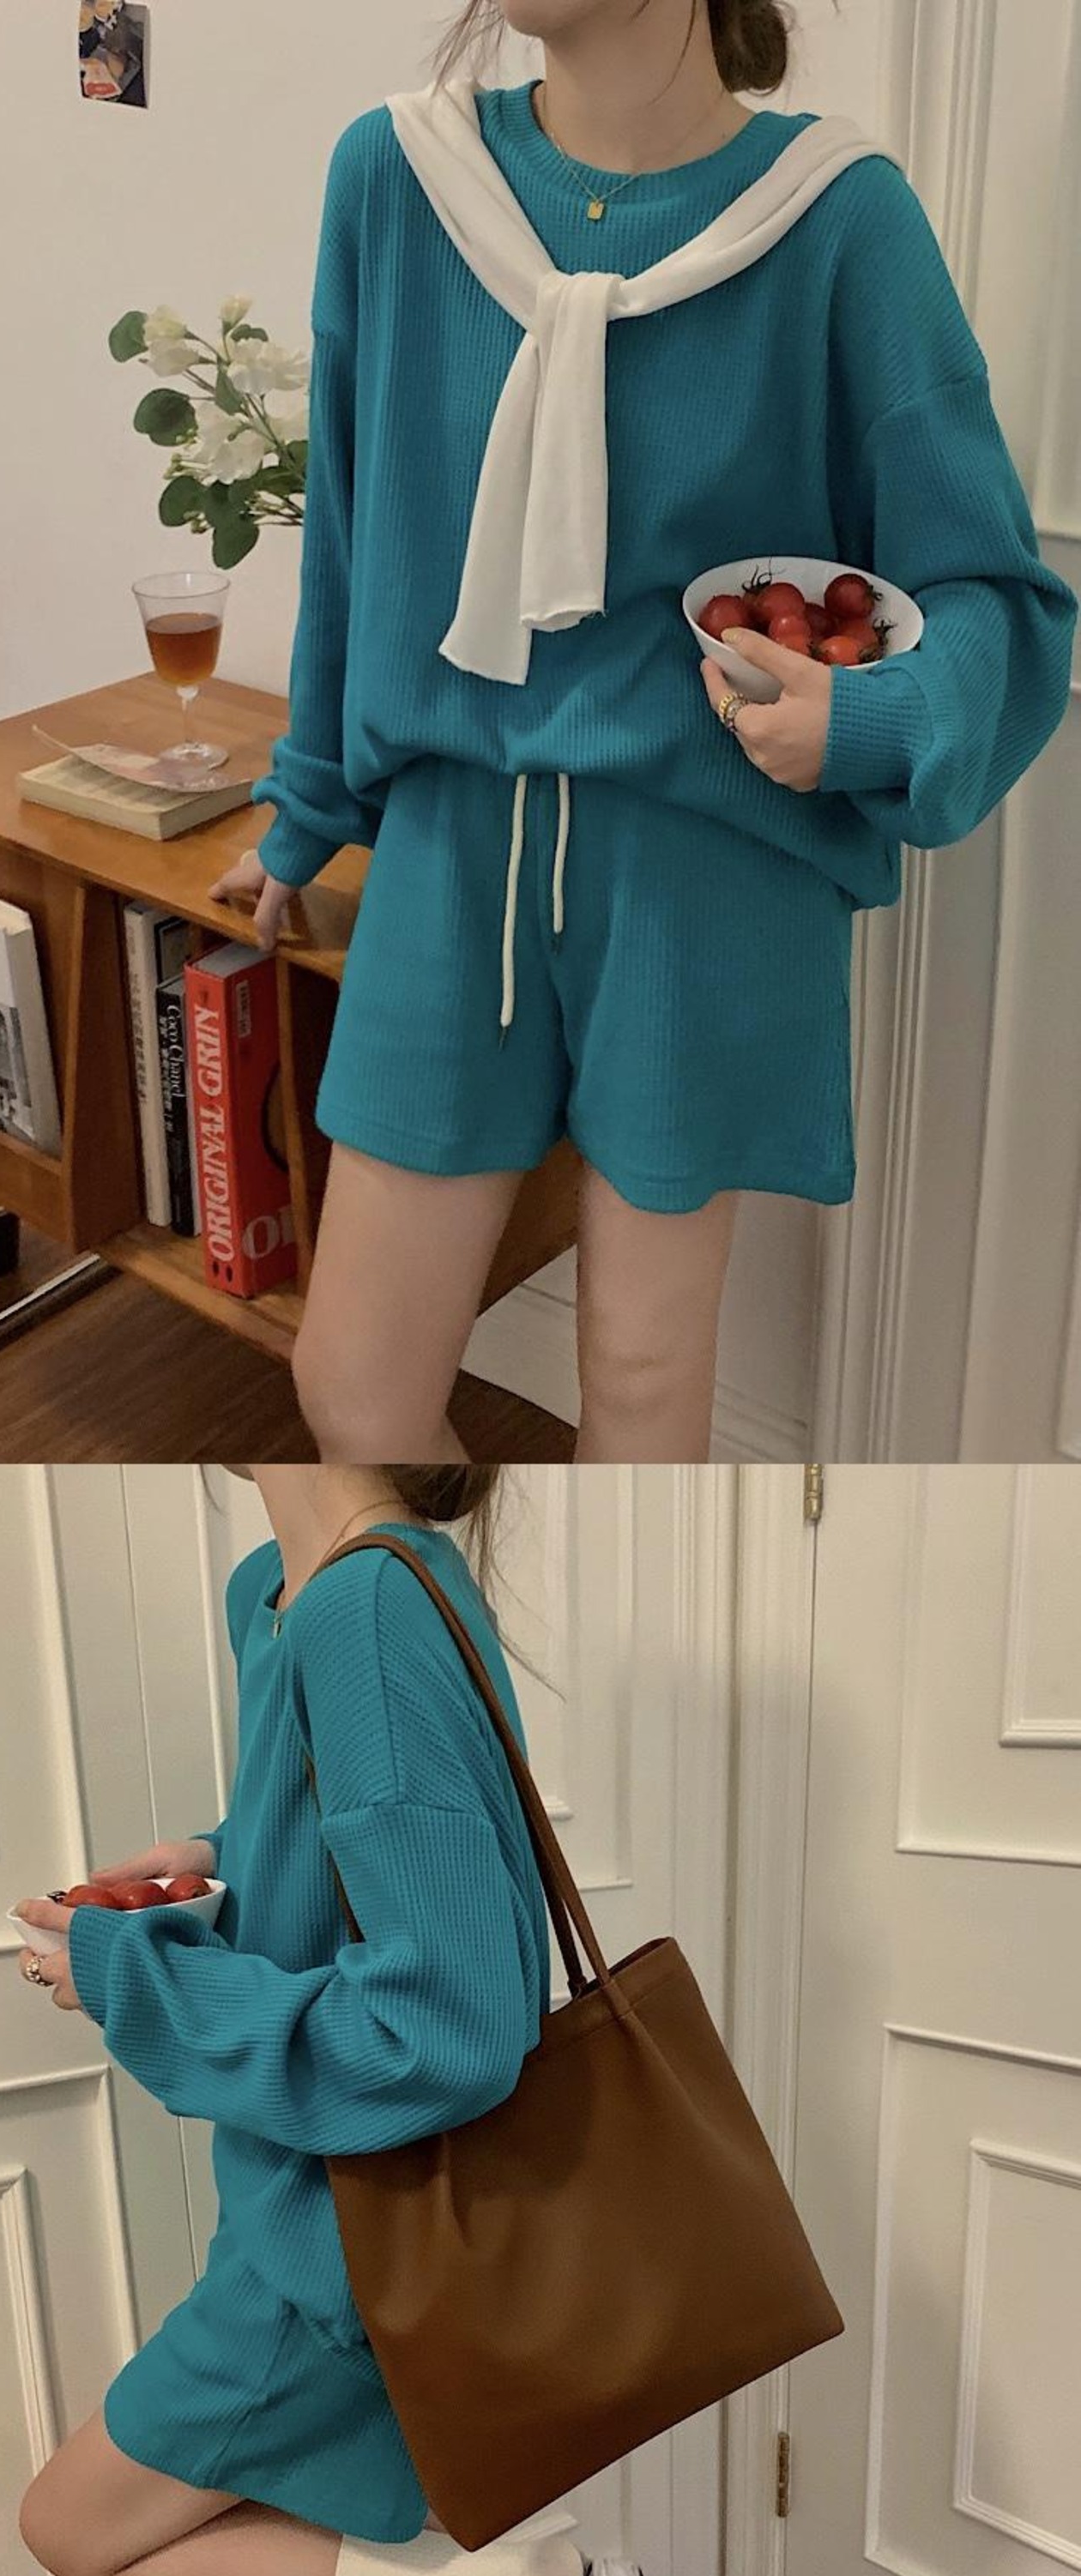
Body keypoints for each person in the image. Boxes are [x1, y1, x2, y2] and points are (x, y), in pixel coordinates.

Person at [211, 0, 1076, 1476]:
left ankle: (599, 1631)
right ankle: (476, 1610)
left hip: (707, 872)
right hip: (453, 846)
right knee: (354, 1386)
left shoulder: (838, 220)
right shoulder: (398, 176)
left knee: (643, 1374)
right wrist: (305, 811)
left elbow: (997, 594)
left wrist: (863, 717)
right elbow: (352, 529)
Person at [15, 1459, 642, 2576]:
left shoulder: (365, 1608)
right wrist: (214, 1862)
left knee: (73, 2528)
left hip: (337, 2250)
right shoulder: (308, 1587)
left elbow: (449, 2024)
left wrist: (129, 1979)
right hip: (402, 2236)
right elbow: (372, 1849)